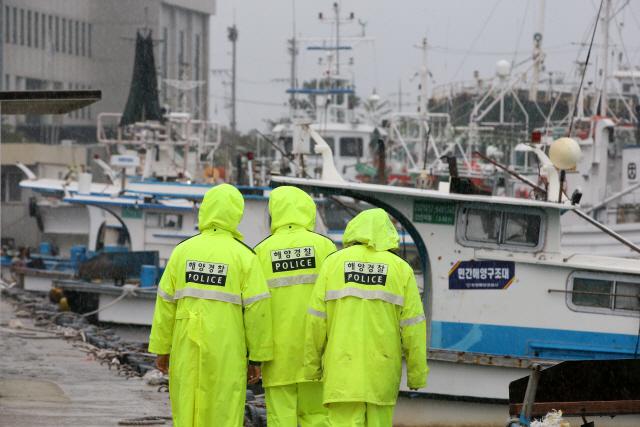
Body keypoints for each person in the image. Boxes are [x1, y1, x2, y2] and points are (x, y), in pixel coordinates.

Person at [149, 184, 273, 427]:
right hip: (228, 350)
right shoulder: (244, 257)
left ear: (204, 210)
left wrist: (162, 348)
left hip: (186, 347)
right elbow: (257, 311)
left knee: (187, 406)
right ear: (236, 213)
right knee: (224, 409)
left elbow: (165, 304)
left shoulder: (182, 251)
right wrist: (256, 358)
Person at [304, 208, 429, 427]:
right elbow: (413, 327)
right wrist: (416, 374)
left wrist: (312, 366)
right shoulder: (401, 269)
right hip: (381, 373)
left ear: (355, 230)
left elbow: (316, 320)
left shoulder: (333, 264)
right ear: (387, 233)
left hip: (342, 374)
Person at [254, 186, 337, 427]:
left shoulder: (261, 251)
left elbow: (255, 308)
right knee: (318, 417)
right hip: (316, 350)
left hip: (277, 355)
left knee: (281, 419)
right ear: (307, 211)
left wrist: (255, 357)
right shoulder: (326, 247)